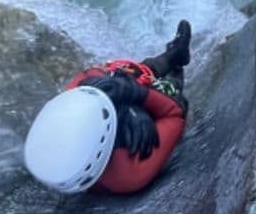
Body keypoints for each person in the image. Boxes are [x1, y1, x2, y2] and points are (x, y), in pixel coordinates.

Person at [24, 20, 192, 194]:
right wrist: (139, 97)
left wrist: (127, 103)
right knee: (162, 94)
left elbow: (94, 75)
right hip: (136, 138)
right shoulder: (129, 175)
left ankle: (171, 57)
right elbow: (174, 113)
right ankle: (174, 70)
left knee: (116, 83)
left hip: (102, 128)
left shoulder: (67, 107)